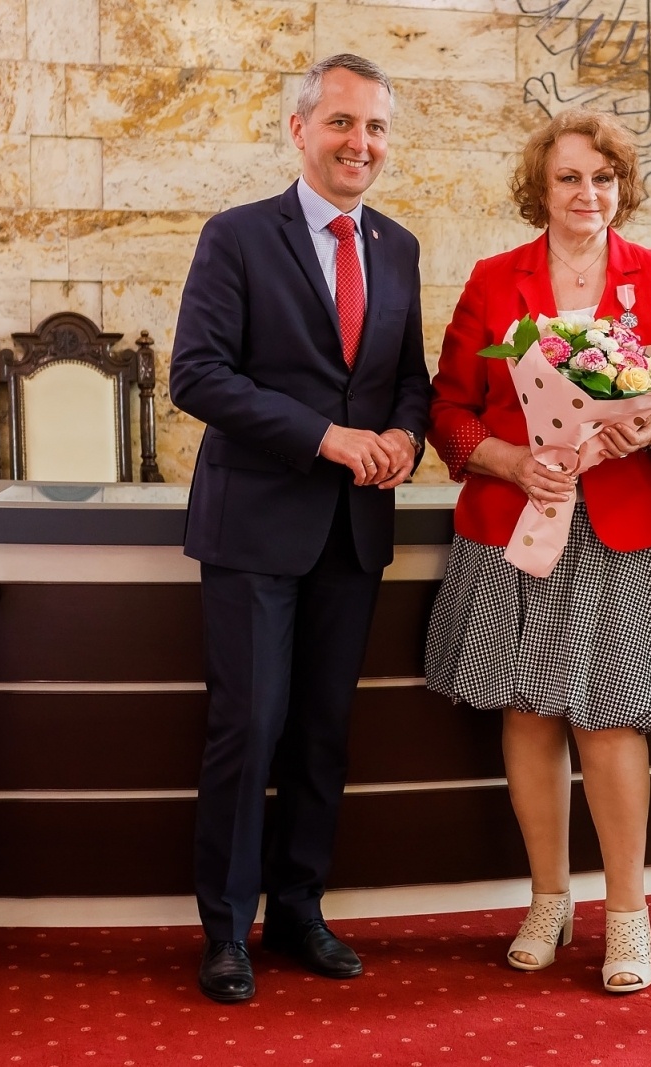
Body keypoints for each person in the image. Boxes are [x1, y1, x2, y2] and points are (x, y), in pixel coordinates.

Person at [425, 108, 651, 994]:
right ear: (540, 189)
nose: (587, 193)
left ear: (621, 186)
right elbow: (448, 408)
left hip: (617, 526)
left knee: (611, 716)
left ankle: (628, 913)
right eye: (569, 178)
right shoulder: (493, 279)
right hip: (517, 519)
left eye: (603, 177)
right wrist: (510, 460)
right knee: (527, 711)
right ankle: (549, 899)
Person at [169, 52, 432, 1004]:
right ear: (300, 130)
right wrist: (326, 437)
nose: (361, 143)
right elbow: (197, 374)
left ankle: (299, 910)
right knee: (250, 728)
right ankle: (225, 930)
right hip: (254, 529)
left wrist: (404, 434)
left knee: (323, 732)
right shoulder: (238, 236)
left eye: (376, 127)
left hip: (352, 534)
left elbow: (409, 377)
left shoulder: (397, 247)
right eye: (342, 122)